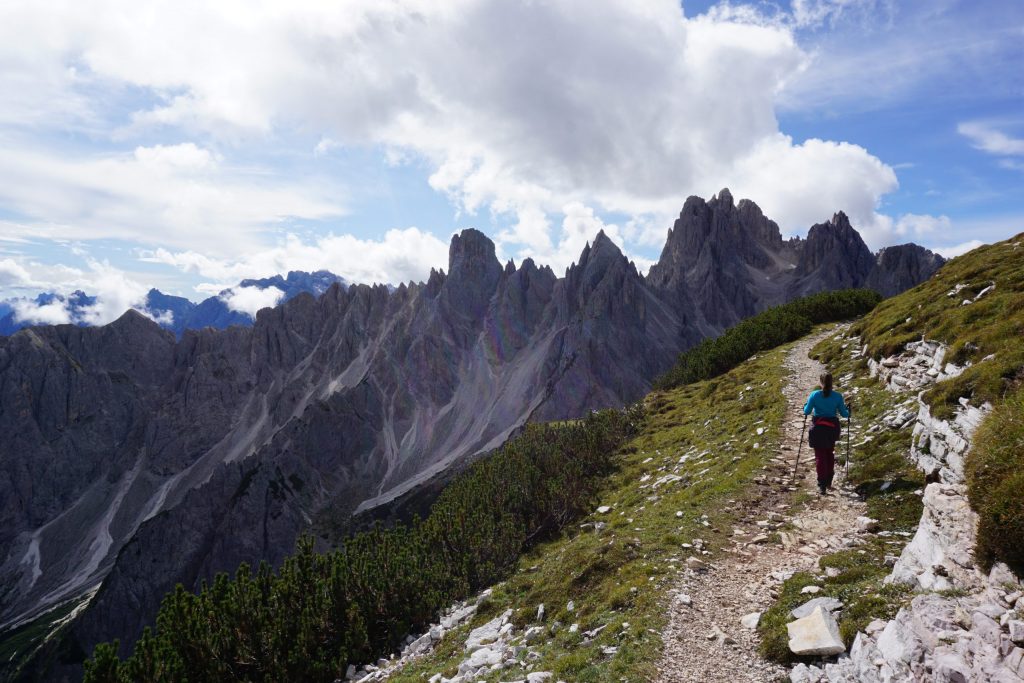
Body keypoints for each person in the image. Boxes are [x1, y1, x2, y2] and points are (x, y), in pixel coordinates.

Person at [803, 371, 852, 495]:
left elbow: (807, 411)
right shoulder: (838, 396)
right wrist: (848, 409)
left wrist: (805, 406)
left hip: (818, 428)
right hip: (832, 428)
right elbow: (845, 414)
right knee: (829, 453)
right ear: (832, 382)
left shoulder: (814, 395)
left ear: (820, 382)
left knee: (820, 456)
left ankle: (822, 485)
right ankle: (829, 480)